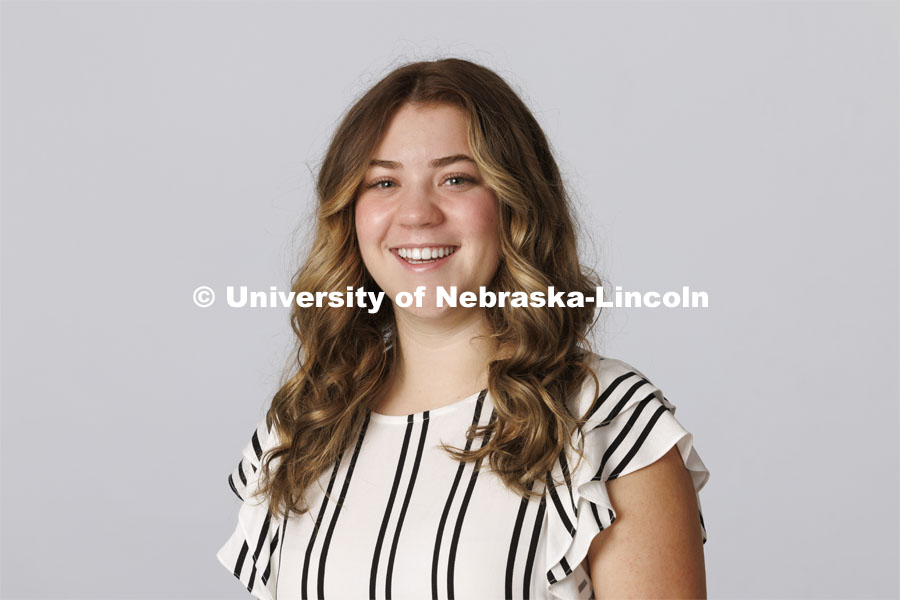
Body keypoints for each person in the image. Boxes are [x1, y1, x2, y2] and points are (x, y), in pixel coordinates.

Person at [216, 58, 710, 600]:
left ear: (515, 204)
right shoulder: (300, 428)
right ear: (349, 213)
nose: (416, 214)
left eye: (456, 179)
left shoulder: (608, 421)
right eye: (383, 181)